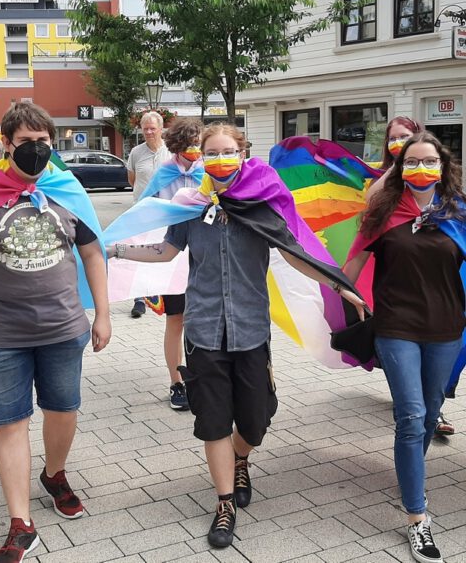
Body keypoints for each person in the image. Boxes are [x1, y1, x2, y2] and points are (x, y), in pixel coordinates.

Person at [109, 123, 366, 550]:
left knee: (257, 420)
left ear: (243, 154)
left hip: (250, 331)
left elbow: (294, 251)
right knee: (212, 421)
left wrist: (338, 284)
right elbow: (166, 251)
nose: (220, 158)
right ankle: (224, 503)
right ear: (202, 157)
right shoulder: (191, 206)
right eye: (212, 152)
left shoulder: (261, 205)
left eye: (229, 151)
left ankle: (241, 455)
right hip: (204, 332)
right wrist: (114, 248)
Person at [0, 102, 111, 563]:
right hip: (1, 333)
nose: (35, 151)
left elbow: (94, 254)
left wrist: (104, 314)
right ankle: (20, 522)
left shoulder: (64, 189)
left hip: (63, 327)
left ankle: (54, 474)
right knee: (9, 423)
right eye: (25, 144)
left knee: (63, 411)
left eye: (43, 143)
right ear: (7, 147)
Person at [344, 132, 466, 563]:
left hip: (448, 329)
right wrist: (349, 294)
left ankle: (408, 470)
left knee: (430, 415)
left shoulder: (459, 212)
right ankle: (418, 517)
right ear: (399, 168)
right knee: (412, 417)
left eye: (428, 161)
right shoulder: (382, 214)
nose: (420, 169)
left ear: (443, 165)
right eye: (410, 162)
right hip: (396, 327)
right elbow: (350, 268)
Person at [138, 117, 204, 411]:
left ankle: (200, 378)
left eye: (197, 145)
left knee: (200, 320)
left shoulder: (210, 170)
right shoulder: (165, 173)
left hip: (205, 256)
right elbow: (144, 210)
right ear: (176, 147)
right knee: (176, 320)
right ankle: (177, 382)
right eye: (188, 146)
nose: (193, 151)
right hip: (174, 256)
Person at [126, 111, 169, 317]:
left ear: (161, 129)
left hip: (166, 211)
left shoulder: (171, 151)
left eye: (153, 128)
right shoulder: (136, 152)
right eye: (146, 129)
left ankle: (162, 293)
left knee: (163, 251)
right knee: (140, 253)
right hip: (142, 211)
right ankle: (138, 299)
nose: (149, 132)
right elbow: (132, 180)